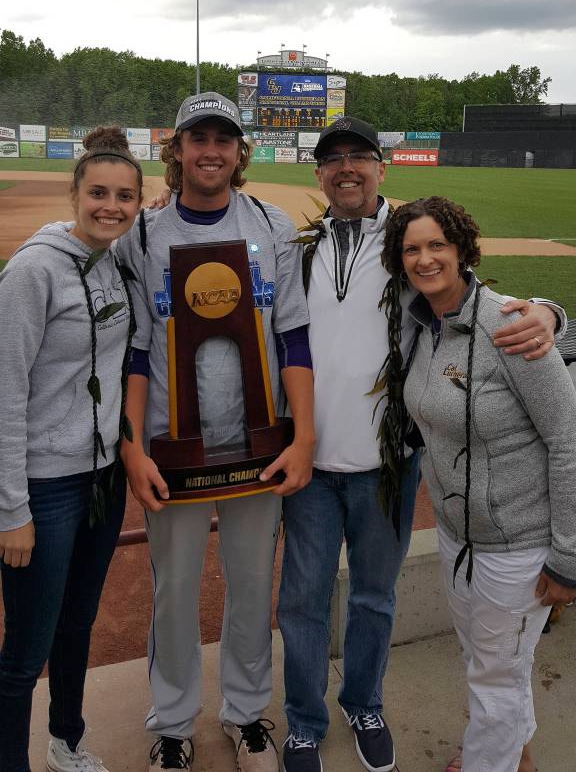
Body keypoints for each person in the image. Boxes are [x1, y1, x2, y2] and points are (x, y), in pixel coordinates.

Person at [277, 117, 566, 772]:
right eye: (332, 159)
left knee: (374, 597)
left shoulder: (409, 241)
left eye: (359, 156)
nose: (345, 167)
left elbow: (474, 299)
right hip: (310, 464)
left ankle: (364, 702)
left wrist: (549, 311)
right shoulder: (297, 249)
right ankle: (303, 720)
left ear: (382, 168)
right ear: (318, 174)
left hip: (388, 465)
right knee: (302, 600)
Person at [118, 92, 314, 772]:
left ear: (240, 151)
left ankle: (245, 714)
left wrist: (304, 436)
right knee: (173, 589)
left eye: (223, 139)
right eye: (197, 138)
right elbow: (136, 351)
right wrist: (135, 447)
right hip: (177, 450)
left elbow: (293, 337)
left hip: (259, 447)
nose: (210, 150)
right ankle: (171, 723)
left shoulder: (273, 224)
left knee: (252, 584)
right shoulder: (143, 235)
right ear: (176, 150)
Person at [380, 195, 576, 772]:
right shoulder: (421, 322)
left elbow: (568, 441)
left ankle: (488, 762)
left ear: (462, 249)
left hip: (519, 543)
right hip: (459, 534)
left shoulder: (511, 327)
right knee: (493, 663)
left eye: (437, 244)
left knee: (494, 676)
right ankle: (518, 759)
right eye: (412, 248)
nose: (424, 258)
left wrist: (567, 557)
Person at [0, 127, 143, 772]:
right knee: (27, 647)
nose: (110, 206)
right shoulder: (32, 271)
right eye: (98, 194)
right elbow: (3, 392)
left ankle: (65, 740)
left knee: (77, 624)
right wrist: (11, 510)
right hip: (43, 487)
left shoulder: (115, 260)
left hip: (102, 479)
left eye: (124, 196)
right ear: (75, 194)